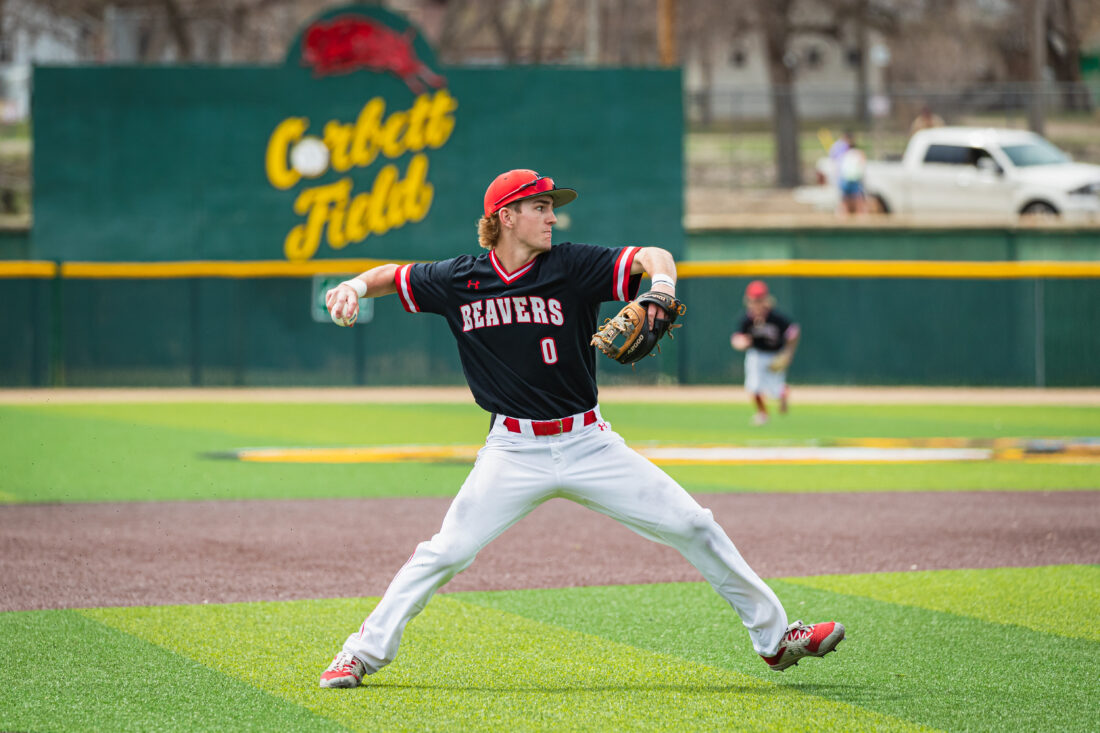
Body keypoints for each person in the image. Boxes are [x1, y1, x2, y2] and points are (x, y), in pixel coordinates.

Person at [318, 168, 844, 688]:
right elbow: (393, 274)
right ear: (506, 217)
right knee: (446, 551)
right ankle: (358, 654)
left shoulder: (572, 265)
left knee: (694, 524)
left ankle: (776, 641)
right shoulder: (461, 278)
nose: (552, 216)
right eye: (540, 207)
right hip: (511, 450)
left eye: (552, 206)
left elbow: (651, 256)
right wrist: (353, 286)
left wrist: (661, 288)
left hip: (588, 442)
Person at [731, 280, 800, 426]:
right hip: (756, 355)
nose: (757, 304)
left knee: (774, 392)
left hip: (775, 355)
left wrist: (788, 354)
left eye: (760, 300)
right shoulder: (747, 320)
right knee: (754, 387)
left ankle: (783, 392)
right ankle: (762, 413)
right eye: (754, 300)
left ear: (766, 300)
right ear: (748, 301)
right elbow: (737, 338)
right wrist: (741, 342)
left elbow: (794, 332)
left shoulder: (776, 318)